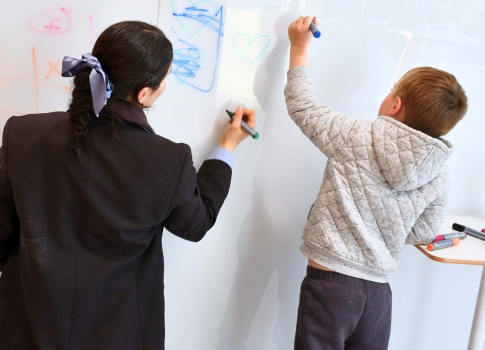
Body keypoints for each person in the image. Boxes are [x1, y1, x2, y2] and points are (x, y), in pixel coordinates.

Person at [0, 21, 255, 350]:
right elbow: (196, 223)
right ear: (144, 93)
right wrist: (226, 148)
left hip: (27, 325)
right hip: (116, 335)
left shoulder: (22, 133)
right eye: (165, 77)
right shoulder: (167, 160)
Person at [285, 16, 467, 350]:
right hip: (378, 295)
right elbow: (424, 232)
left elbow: (302, 106)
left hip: (331, 285)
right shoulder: (439, 175)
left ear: (395, 104)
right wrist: (389, 229)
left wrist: (298, 47)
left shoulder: (356, 136)